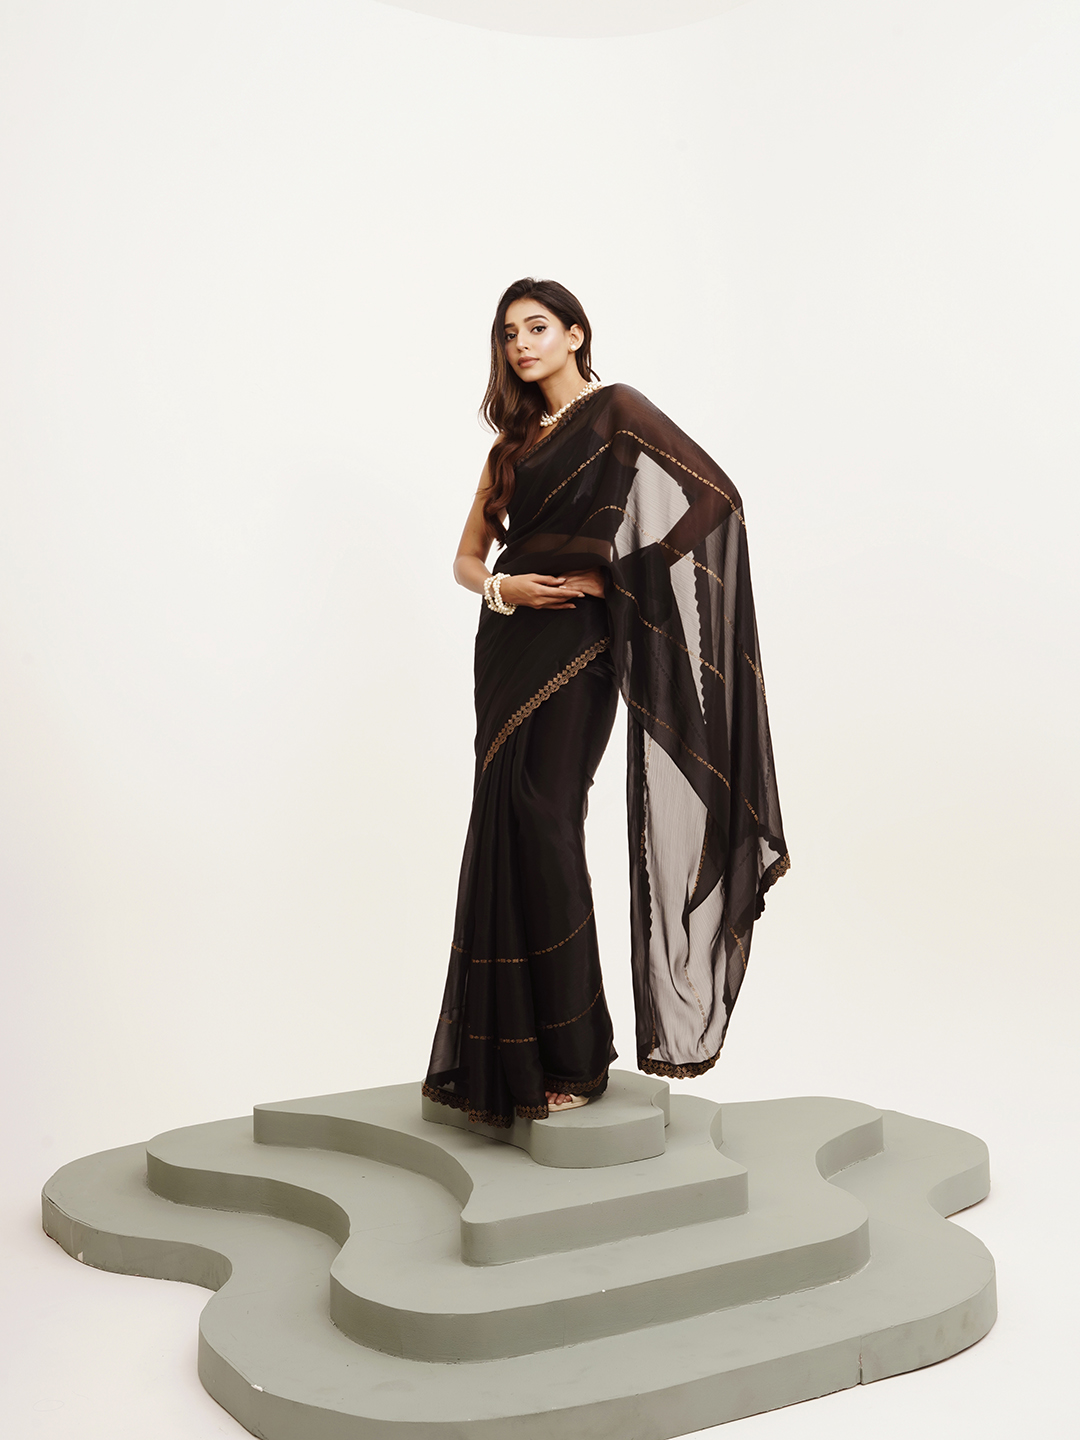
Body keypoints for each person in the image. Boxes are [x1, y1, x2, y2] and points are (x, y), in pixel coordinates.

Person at [422, 278, 788, 1129]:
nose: (521, 344)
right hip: (507, 647)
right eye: (508, 332)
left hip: (582, 644)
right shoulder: (511, 446)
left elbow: (715, 499)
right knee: (508, 825)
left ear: (576, 333)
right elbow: (468, 559)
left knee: (546, 816)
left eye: (537, 327)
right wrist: (505, 589)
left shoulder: (617, 412)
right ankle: (517, 1055)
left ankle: (578, 1056)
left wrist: (620, 575)